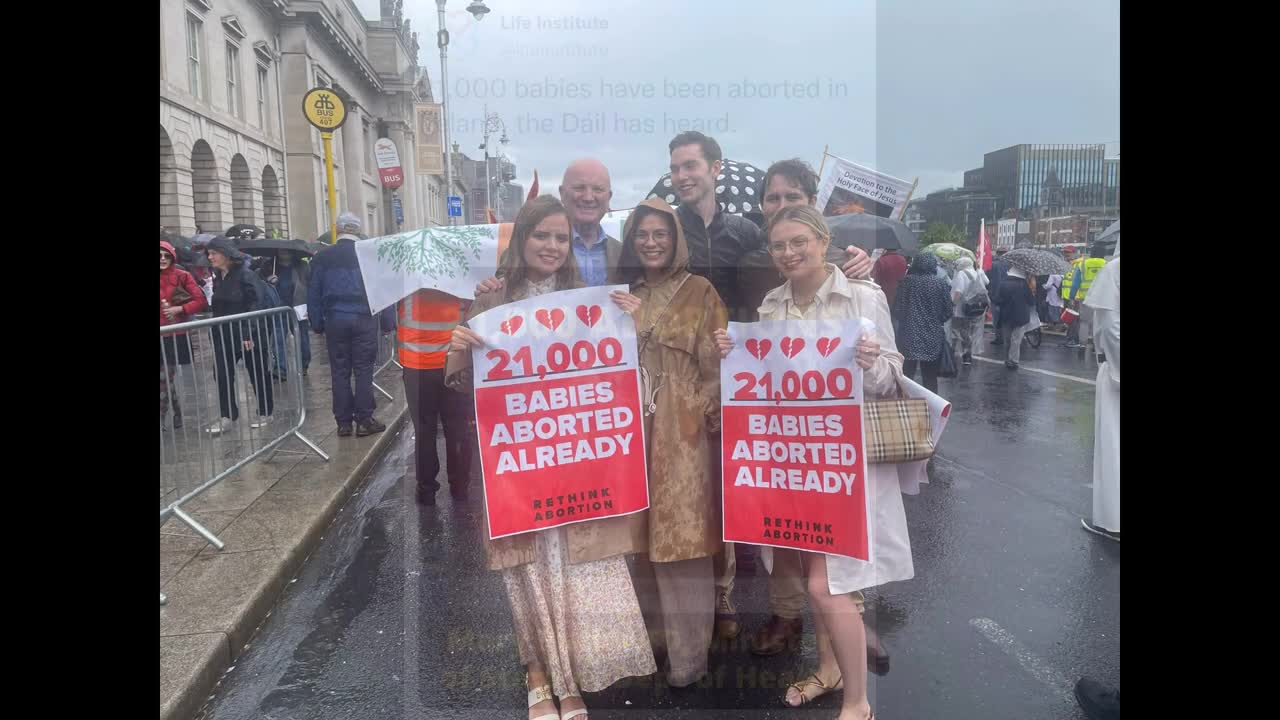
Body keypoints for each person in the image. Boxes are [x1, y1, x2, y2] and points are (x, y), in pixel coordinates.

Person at [446, 196, 656, 720]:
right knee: (527, 570)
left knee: (575, 567)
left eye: (561, 238)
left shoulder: (586, 301)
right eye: (542, 236)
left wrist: (636, 323)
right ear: (523, 241)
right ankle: (539, 675)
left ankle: (572, 680)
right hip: (516, 469)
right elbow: (460, 382)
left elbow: (622, 381)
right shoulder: (492, 298)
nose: (552, 246)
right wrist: (459, 344)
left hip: (573, 464)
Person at [714, 205, 908, 720]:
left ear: (824, 241)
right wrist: (732, 352)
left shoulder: (862, 296)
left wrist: (870, 365)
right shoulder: (771, 304)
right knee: (807, 573)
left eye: (799, 241)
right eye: (779, 246)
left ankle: (858, 701)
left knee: (828, 585)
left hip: (841, 466)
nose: (789, 253)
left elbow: (892, 374)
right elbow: (763, 376)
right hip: (792, 461)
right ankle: (827, 669)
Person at [688, 155, 873, 640]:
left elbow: (881, 362)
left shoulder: (854, 277)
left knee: (840, 527)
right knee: (784, 525)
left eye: (792, 197)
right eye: (773, 197)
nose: (781, 205)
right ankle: (787, 614)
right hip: (777, 425)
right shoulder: (753, 256)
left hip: (834, 430)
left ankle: (850, 625)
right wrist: (730, 348)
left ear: (814, 208)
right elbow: (749, 333)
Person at [610, 196, 728, 688]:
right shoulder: (622, 293)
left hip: (683, 434)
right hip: (628, 431)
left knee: (683, 542)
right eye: (642, 234)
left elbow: (719, 368)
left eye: (660, 234)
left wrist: (702, 418)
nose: (651, 242)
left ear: (676, 239)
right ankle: (646, 647)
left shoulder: (700, 291)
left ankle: (687, 658)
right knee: (636, 539)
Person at [307, 212, 388, 438]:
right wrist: (388, 322)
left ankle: (343, 423)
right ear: (358, 231)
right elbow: (382, 289)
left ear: (338, 230)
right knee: (363, 370)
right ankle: (364, 419)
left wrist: (316, 323)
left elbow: (313, 292)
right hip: (364, 319)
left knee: (340, 372)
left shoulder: (322, 258)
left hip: (335, 320)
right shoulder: (369, 255)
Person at [399, 285, 472, 506]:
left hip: (416, 364)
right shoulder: (459, 278)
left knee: (424, 430)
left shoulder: (405, 281)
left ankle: (426, 490)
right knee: (457, 428)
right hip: (454, 364)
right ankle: (460, 486)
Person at [204, 237, 274, 435]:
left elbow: (255, 304)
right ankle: (227, 415)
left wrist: (248, 332)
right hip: (223, 334)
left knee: (257, 371)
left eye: (213, 253)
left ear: (226, 254)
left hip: (247, 334)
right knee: (222, 374)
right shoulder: (218, 277)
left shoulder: (246, 275)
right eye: (208, 254)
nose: (210, 257)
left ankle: (265, 411)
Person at [1081, 240, 1119, 541]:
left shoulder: (1114, 270)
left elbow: (1108, 328)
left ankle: (1112, 521)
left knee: (1112, 444)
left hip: (1117, 373)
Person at [161, 241, 208, 430]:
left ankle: (162, 415)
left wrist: (179, 308)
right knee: (164, 378)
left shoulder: (183, 276)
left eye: (166, 255)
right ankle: (177, 410)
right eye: (159, 255)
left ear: (172, 257)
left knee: (164, 377)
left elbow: (200, 301)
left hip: (174, 334)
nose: (162, 259)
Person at [893, 253, 953, 393]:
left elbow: (897, 309)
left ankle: (904, 405)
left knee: (906, 375)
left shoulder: (906, 282)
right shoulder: (940, 284)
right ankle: (932, 409)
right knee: (930, 377)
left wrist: (906, 320)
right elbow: (948, 311)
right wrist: (936, 320)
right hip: (932, 336)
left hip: (908, 335)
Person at [260, 249, 311, 379]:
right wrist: (268, 281)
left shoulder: (302, 266)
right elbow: (260, 283)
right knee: (278, 339)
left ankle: (304, 364)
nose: (284, 252)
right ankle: (280, 369)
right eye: (281, 251)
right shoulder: (269, 266)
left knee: (302, 338)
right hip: (278, 308)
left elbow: (310, 284)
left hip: (299, 306)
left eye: (287, 251)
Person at [993, 264, 1035, 370]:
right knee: (1016, 339)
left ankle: (1007, 359)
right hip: (1021, 316)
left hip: (1006, 316)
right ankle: (1014, 361)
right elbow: (1031, 301)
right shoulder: (1024, 285)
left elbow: (997, 300)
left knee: (1007, 339)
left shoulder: (1003, 284)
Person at [950, 256, 989, 365]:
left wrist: (952, 303)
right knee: (968, 331)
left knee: (956, 331)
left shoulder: (962, 274)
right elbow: (987, 282)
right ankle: (967, 355)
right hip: (975, 306)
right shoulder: (978, 272)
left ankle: (952, 354)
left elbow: (958, 291)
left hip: (961, 307)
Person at [872, 249, 908, 320]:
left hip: (884, 293)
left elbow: (875, 279)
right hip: (898, 293)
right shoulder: (903, 260)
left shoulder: (881, 261)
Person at [988, 249, 1010, 345]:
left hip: (996, 296)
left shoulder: (993, 265)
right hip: (1008, 295)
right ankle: (1007, 337)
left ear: (997, 253)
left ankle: (999, 337)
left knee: (996, 318)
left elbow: (988, 281)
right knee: (1007, 318)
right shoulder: (1010, 265)